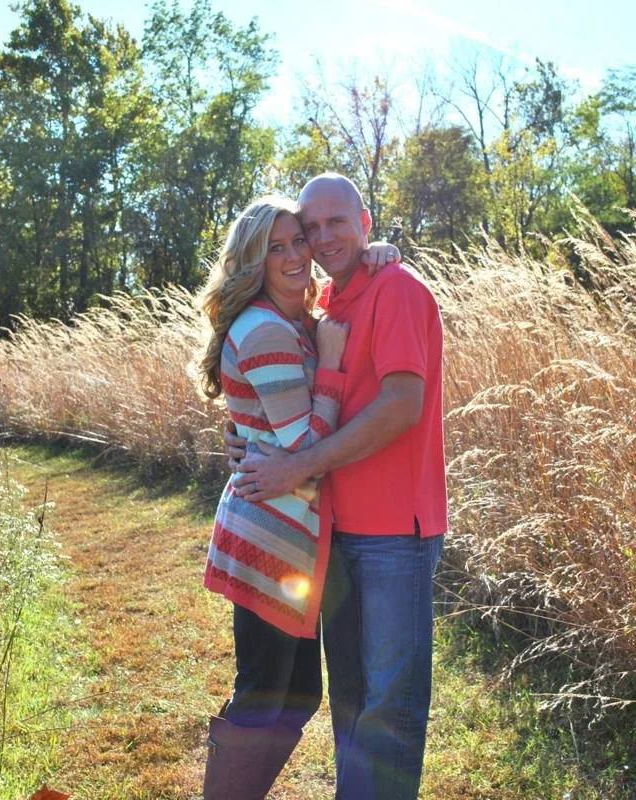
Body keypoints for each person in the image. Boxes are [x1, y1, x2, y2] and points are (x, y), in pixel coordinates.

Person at [227, 173, 448, 800]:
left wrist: (297, 465)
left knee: (388, 707)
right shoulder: (329, 302)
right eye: (310, 228)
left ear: (365, 223)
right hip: (335, 532)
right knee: (350, 703)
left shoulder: (398, 291)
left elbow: (403, 403)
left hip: (393, 538)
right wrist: (246, 436)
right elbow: (278, 383)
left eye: (336, 224)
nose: (321, 240)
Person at [191, 194, 400, 800]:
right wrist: (332, 367)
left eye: (297, 241)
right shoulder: (264, 330)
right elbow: (305, 449)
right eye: (273, 248)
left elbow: (275, 429)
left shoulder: (295, 322)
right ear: (250, 261)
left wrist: (376, 252)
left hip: (289, 541)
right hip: (268, 537)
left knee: (297, 690)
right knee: (264, 691)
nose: (292, 256)